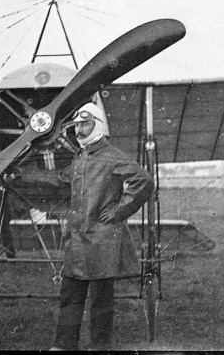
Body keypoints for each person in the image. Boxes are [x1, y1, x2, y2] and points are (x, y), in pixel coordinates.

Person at [16, 102, 153, 350]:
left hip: (102, 239)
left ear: (97, 125)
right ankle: (64, 344)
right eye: (77, 125)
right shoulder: (81, 156)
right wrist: (23, 175)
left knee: (101, 299)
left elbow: (143, 181)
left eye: (84, 124)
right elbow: (61, 179)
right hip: (78, 239)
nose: (78, 130)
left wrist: (118, 212)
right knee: (70, 294)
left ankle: (100, 346)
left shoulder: (111, 154)